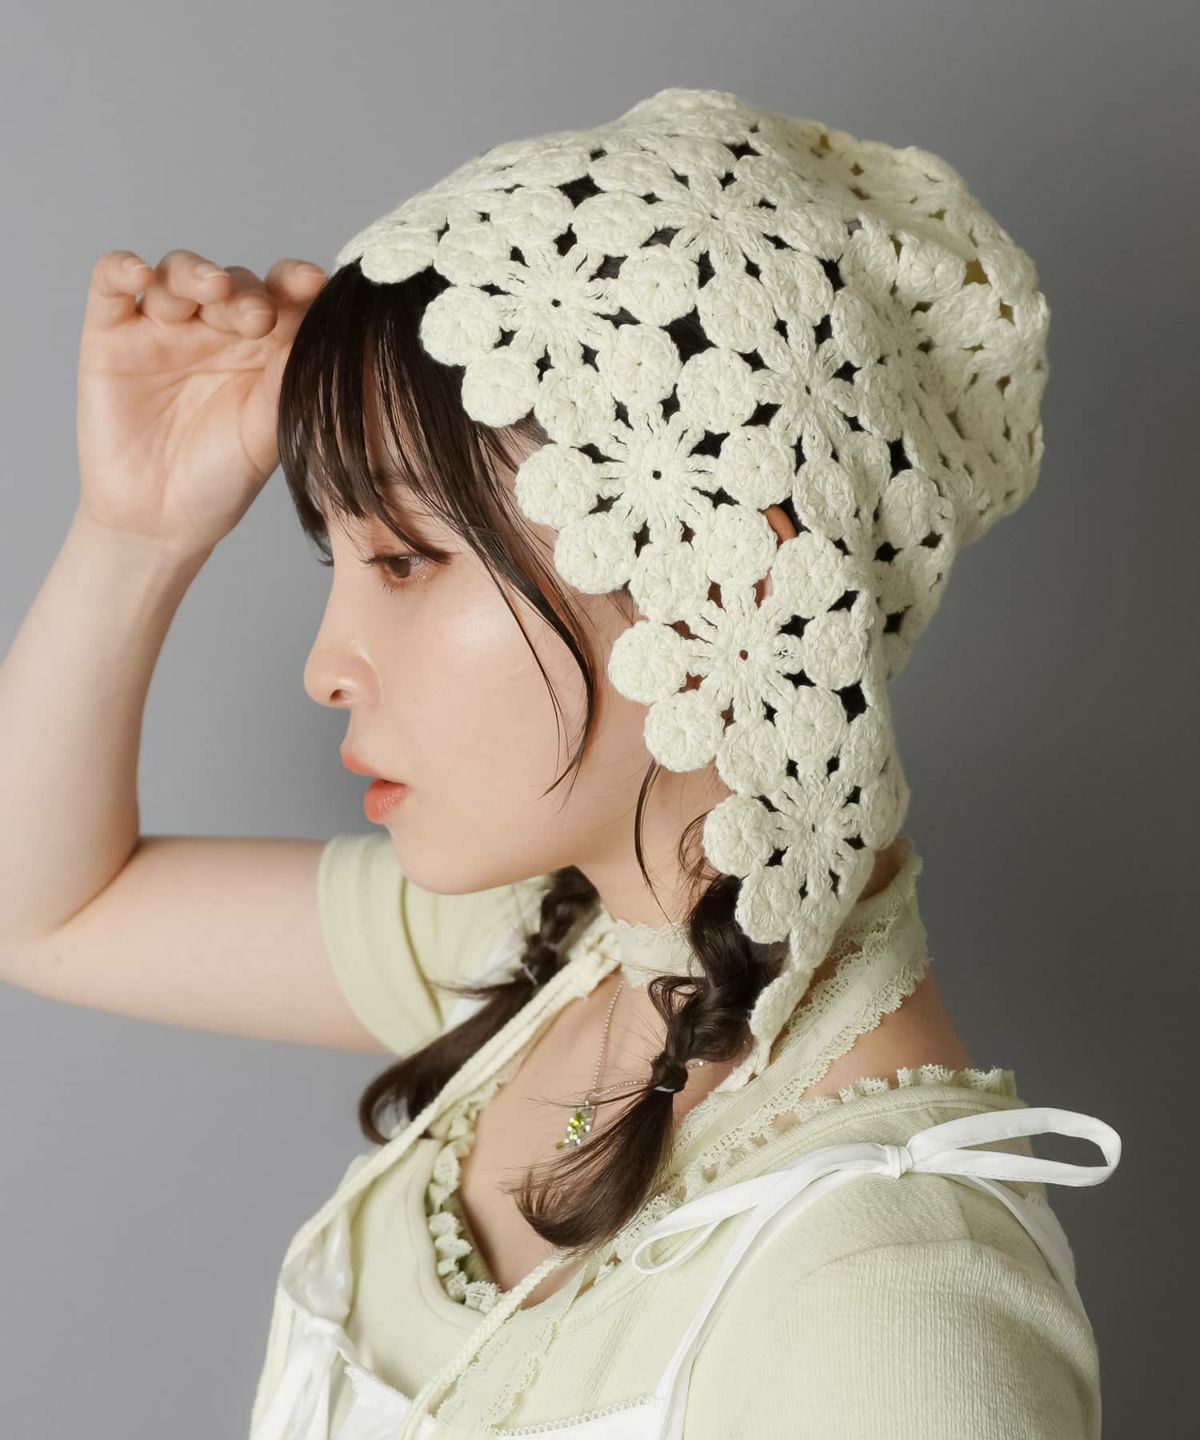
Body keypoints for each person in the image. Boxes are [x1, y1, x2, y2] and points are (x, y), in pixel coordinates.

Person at [0, 87, 1120, 1439]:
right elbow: (44, 908)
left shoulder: (893, 1312)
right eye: (334, 555)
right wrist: (136, 532)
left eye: (404, 558)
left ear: (726, 574)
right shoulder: (557, 958)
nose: (327, 665)